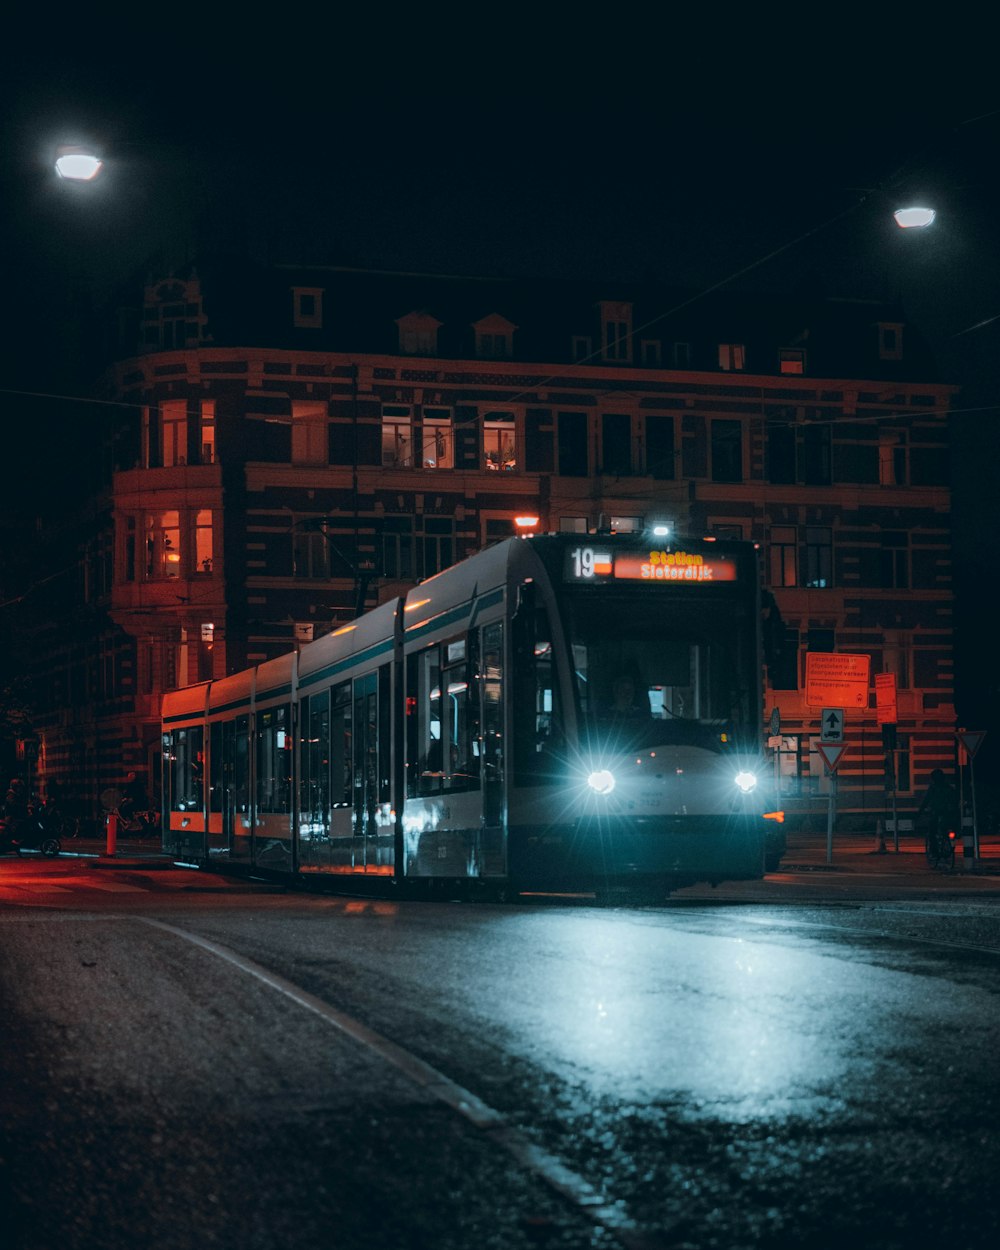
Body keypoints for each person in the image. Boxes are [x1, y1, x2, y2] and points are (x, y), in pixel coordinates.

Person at [918, 768, 959, 848]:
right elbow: (955, 800)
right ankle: (950, 841)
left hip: (936, 812)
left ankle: (934, 851)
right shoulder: (949, 788)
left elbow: (926, 800)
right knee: (949, 827)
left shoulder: (933, 788)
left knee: (932, 832)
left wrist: (920, 812)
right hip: (948, 812)